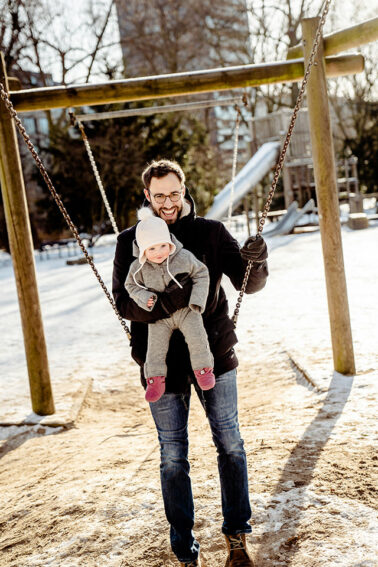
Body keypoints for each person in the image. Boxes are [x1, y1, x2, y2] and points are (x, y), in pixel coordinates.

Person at [112, 159, 268, 567]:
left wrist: (258, 261)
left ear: (185, 190)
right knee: (172, 456)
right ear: (148, 195)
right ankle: (184, 547)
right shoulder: (130, 240)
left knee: (230, 444)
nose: (168, 202)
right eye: (159, 195)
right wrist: (164, 304)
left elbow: (247, 282)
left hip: (212, 354)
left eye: (174, 193)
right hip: (160, 364)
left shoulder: (210, 233)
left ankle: (237, 534)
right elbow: (124, 300)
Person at [125, 209, 215, 402]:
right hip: (159, 315)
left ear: (170, 243)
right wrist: (144, 297)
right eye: (152, 249)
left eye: (162, 246)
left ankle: (204, 369)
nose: (158, 253)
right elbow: (130, 286)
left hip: (186, 310)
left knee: (197, 337)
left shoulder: (184, 257)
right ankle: (155, 379)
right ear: (142, 250)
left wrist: (197, 300)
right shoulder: (138, 268)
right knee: (155, 347)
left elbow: (202, 273)